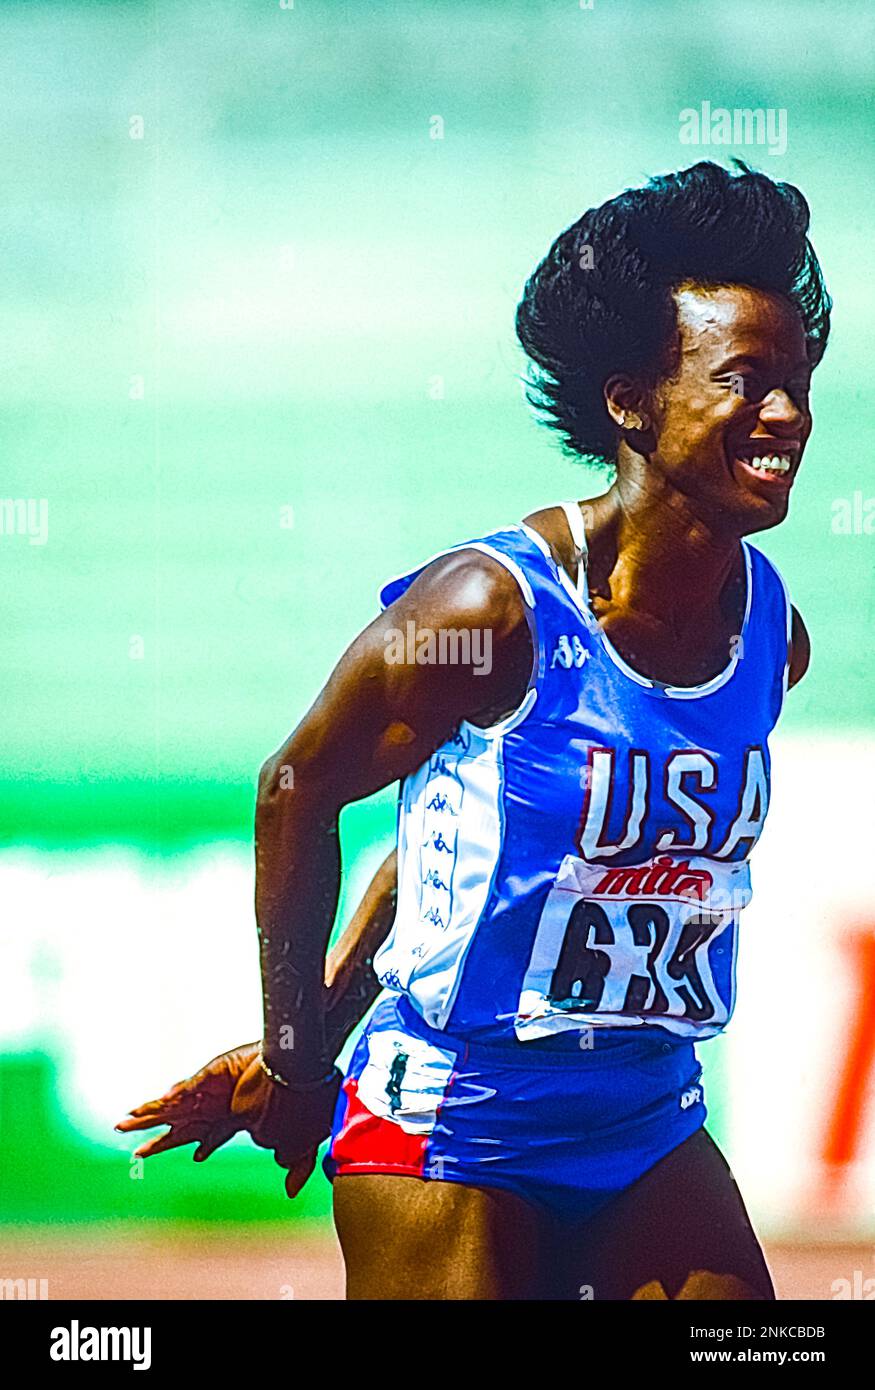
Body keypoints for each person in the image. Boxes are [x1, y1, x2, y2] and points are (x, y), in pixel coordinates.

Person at [118, 161, 831, 1300]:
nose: (786, 413)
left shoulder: (766, 642)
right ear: (628, 401)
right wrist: (303, 1061)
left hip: (645, 1121)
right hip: (454, 1127)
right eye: (744, 381)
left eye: (797, 381)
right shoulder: (488, 612)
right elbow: (295, 786)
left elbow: (459, 847)